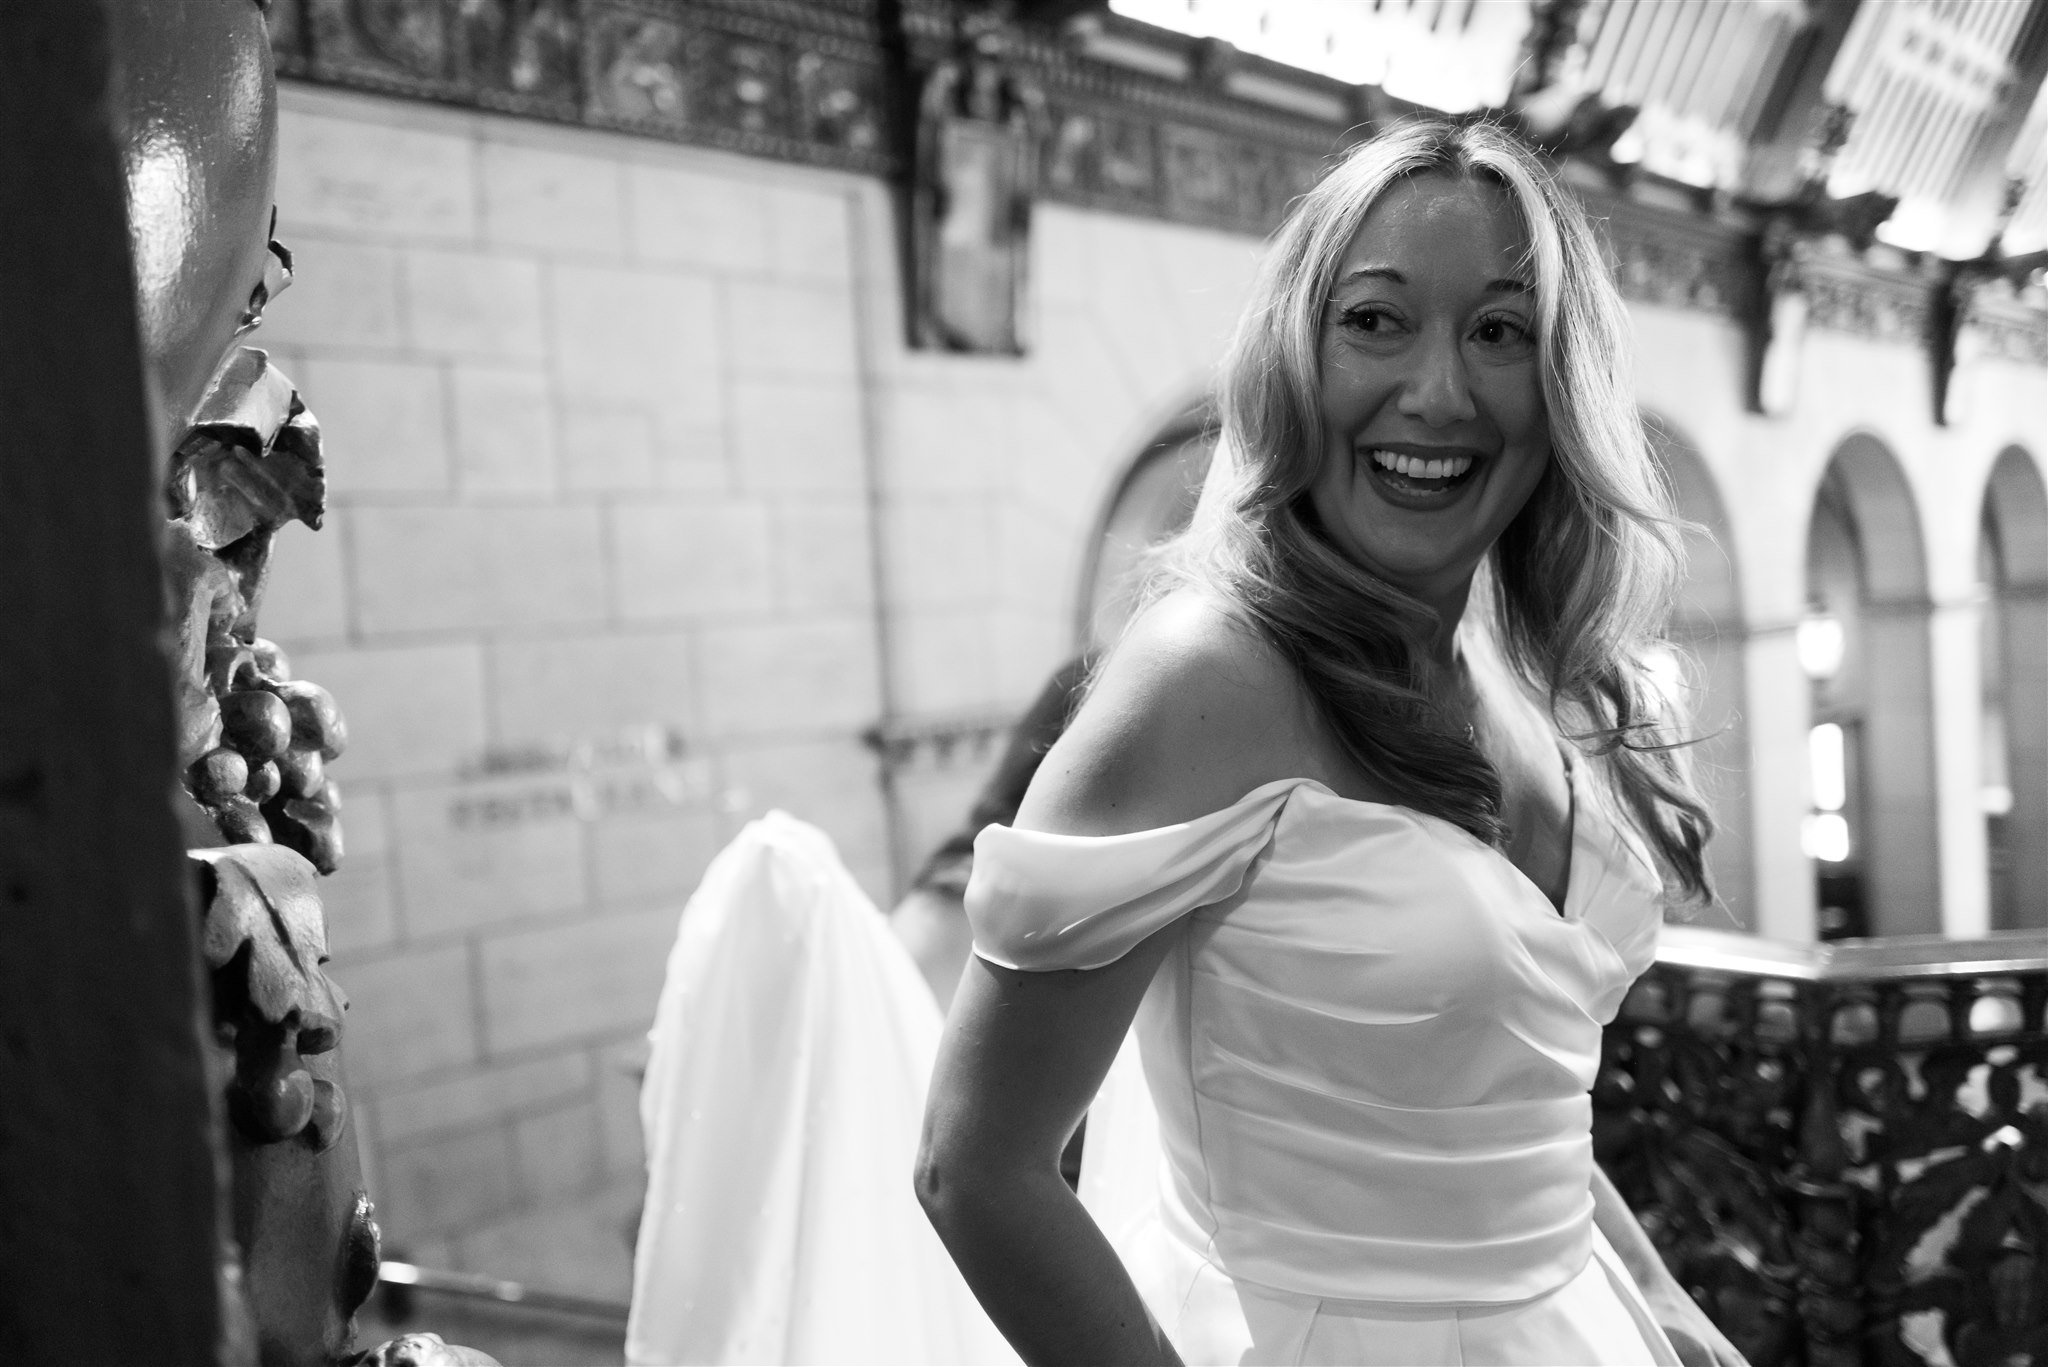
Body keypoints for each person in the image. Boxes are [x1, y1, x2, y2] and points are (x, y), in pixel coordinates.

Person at [913, 119, 1749, 1367]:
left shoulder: (1524, 663)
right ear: (1293, 355)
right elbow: (976, 1167)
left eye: (1498, 331)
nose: (1435, 391)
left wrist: (1668, 1310)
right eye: (1374, 319)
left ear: (1560, 382)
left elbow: (1519, 1108)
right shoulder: (1206, 675)